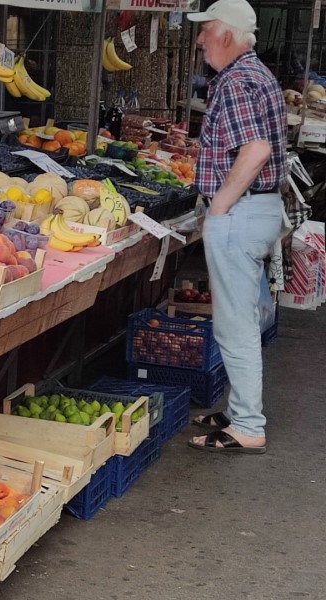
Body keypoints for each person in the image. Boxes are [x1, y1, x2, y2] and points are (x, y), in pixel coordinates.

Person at [186, 0, 286, 454]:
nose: (200, 39)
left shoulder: (237, 81)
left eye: (206, 30)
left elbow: (256, 149)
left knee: (234, 325)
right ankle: (239, 408)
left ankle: (247, 425)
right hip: (256, 210)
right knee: (241, 317)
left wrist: (219, 208)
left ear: (225, 34)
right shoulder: (255, 74)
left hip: (240, 213)